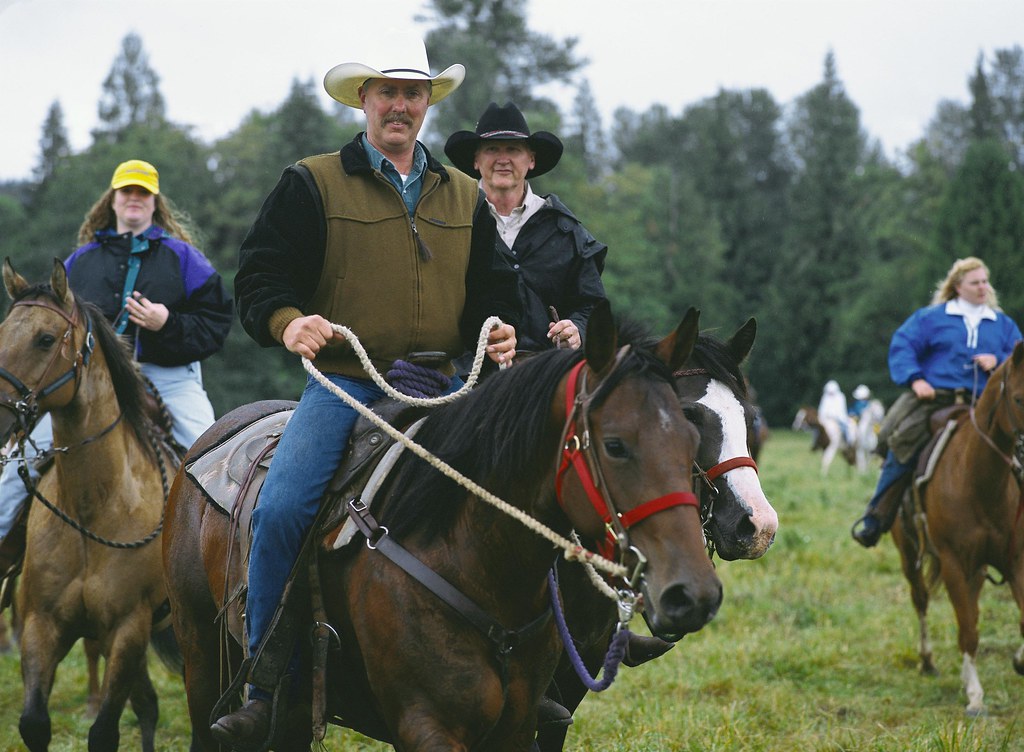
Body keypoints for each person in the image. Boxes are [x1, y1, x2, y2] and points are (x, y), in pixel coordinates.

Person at [213, 33, 521, 748]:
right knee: (285, 508)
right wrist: (288, 324)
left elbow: (494, 293)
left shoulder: (466, 194)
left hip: (450, 389)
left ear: (427, 105)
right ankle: (268, 685)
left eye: (414, 93)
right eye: (388, 91)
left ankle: (536, 677)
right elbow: (259, 280)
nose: (401, 105)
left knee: (526, 497)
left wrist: (499, 330)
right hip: (348, 386)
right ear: (364, 99)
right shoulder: (311, 181)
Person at [0, 159, 232, 570]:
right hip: (90, 385)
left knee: (212, 458)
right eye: (127, 191)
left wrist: (168, 322)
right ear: (113, 199)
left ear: (154, 202)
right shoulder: (80, 262)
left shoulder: (185, 258)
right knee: (17, 464)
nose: (134, 199)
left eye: (143, 193)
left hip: (170, 378)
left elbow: (217, 324)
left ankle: (221, 565)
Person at [851, 256, 1022, 547]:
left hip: (988, 405)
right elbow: (903, 345)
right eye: (975, 282)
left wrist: (999, 360)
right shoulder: (931, 318)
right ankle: (876, 516)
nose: (983, 287)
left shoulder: (1002, 324)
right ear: (958, 286)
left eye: (984, 281)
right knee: (901, 440)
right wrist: (916, 379)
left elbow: (1019, 362)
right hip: (935, 400)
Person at [444, 101, 606, 355]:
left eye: (513, 149)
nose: (503, 159)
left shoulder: (566, 230)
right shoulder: (450, 222)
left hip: (549, 374)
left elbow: (593, 305)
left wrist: (578, 329)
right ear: (476, 160)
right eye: (492, 149)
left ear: (531, 159)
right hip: (468, 375)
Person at [818, 379, 852, 444]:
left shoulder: (840, 397)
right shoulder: (825, 397)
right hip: (826, 418)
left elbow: (841, 409)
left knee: (845, 427)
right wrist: (822, 417)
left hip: (838, 418)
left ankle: (847, 441)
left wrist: (836, 416)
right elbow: (822, 409)